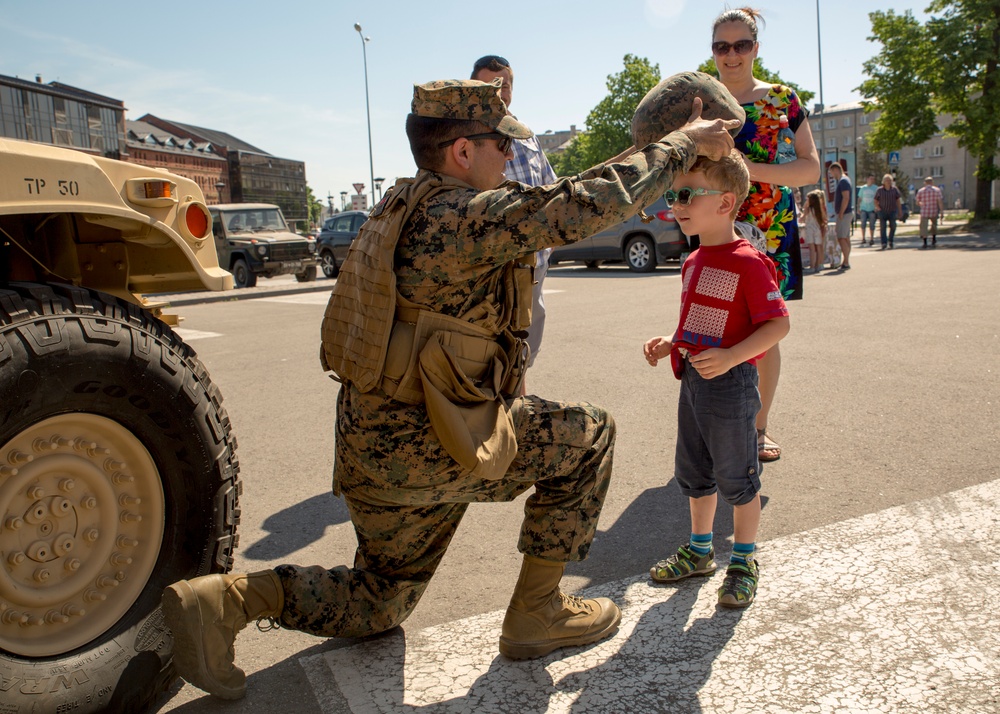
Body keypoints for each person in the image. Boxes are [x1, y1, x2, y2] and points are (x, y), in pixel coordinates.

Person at [161, 78, 740, 700]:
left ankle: (225, 601)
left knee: (379, 602)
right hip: (432, 444)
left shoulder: (407, 204)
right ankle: (536, 614)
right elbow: (577, 207)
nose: (510, 157)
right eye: (500, 145)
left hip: (371, 447)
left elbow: (555, 196)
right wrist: (680, 144)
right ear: (463, 151)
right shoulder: (463, 219)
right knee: (589, 434)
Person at [643, 149, 790, 608]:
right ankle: (700, 550)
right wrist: (673, 340)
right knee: (695, 475)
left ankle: (744, 560)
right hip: (694, 383)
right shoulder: (693, 261)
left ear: (725, 203)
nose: (677, 203)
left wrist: (731, 357)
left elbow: (778, 324)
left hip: (730, 386)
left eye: (686, 194)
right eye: (673, 194)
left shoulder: (748, 261)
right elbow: (701, 319)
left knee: (738, 479)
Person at [710, 6, 820, 463]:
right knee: (714, 329)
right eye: (721, 46)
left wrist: (748, 170)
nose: (731, 55)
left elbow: (810, 167)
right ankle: (716, 431)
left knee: (765, 332)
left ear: (756, 49)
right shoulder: (703, 103)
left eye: (741, 45)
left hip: (770, 234)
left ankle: (758, 430)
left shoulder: (781, 100)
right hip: (716, 233)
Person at [470, 55, 556, 388]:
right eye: (490, 85)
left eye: (504, 84)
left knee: (523, 350)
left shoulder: (528, 137)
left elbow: (550, 188)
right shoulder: (470, 137)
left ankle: (514, 418)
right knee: (490, 353)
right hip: (493, 267)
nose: (499, 92)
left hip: (533, 266)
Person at [829, 163, 853, 270]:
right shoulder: (844, 180)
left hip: (845, 213)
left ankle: (846, 262)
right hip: (846, 213)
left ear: (835, 170)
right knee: (845, 237)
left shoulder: (843, 181)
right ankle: (846, 261)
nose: (832, 175)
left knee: (842, 237)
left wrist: (841, 213)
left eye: (831, 172)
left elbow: (846, 198)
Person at [800, 189, 828, 273]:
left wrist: (805, 207)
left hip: (810, 229)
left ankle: (812, 266)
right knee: (819, 247)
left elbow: (802, 218)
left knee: (812, 248)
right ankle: (818, 265)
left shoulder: (808, 209)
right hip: (817, 229)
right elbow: (824, 219)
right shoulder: (819, 209)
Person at [874, 173, 902, 249]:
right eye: (886, 180)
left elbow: (898, 201)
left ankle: (891, 240)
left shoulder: (894, 189)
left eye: (889, 180)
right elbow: (875, 200)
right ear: (883, 181)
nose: (888, 182)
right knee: (883, 227)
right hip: (882, 211)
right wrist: (878, 207)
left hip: (892, 211)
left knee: (893, 226)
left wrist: (900, 211)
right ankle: (884, 243)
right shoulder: (879, 190)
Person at [915, 176, 944, 249]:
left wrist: (921, 204)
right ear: (932, 182)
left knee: (924, 226)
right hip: (933, 210)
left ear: (925, 183)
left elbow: (917, 202)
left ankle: (925, 241)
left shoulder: (921, 191)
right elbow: (940, 201)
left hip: (924, 211)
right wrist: (941, 211)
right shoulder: (937, 190)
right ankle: (933, 238)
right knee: (934, 225)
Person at [857, 175, 878, 246]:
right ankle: (863, 238)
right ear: (867, 179)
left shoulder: (875, 188)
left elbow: (878, 198)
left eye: (873, 179)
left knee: (872, 224)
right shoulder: (863, 188)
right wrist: (858, 207)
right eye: (870, 179)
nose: (871, 180)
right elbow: (860, 198)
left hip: (872, 208)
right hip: (863, 208)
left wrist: (876, 207)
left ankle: (871, 238)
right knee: (863, 223)